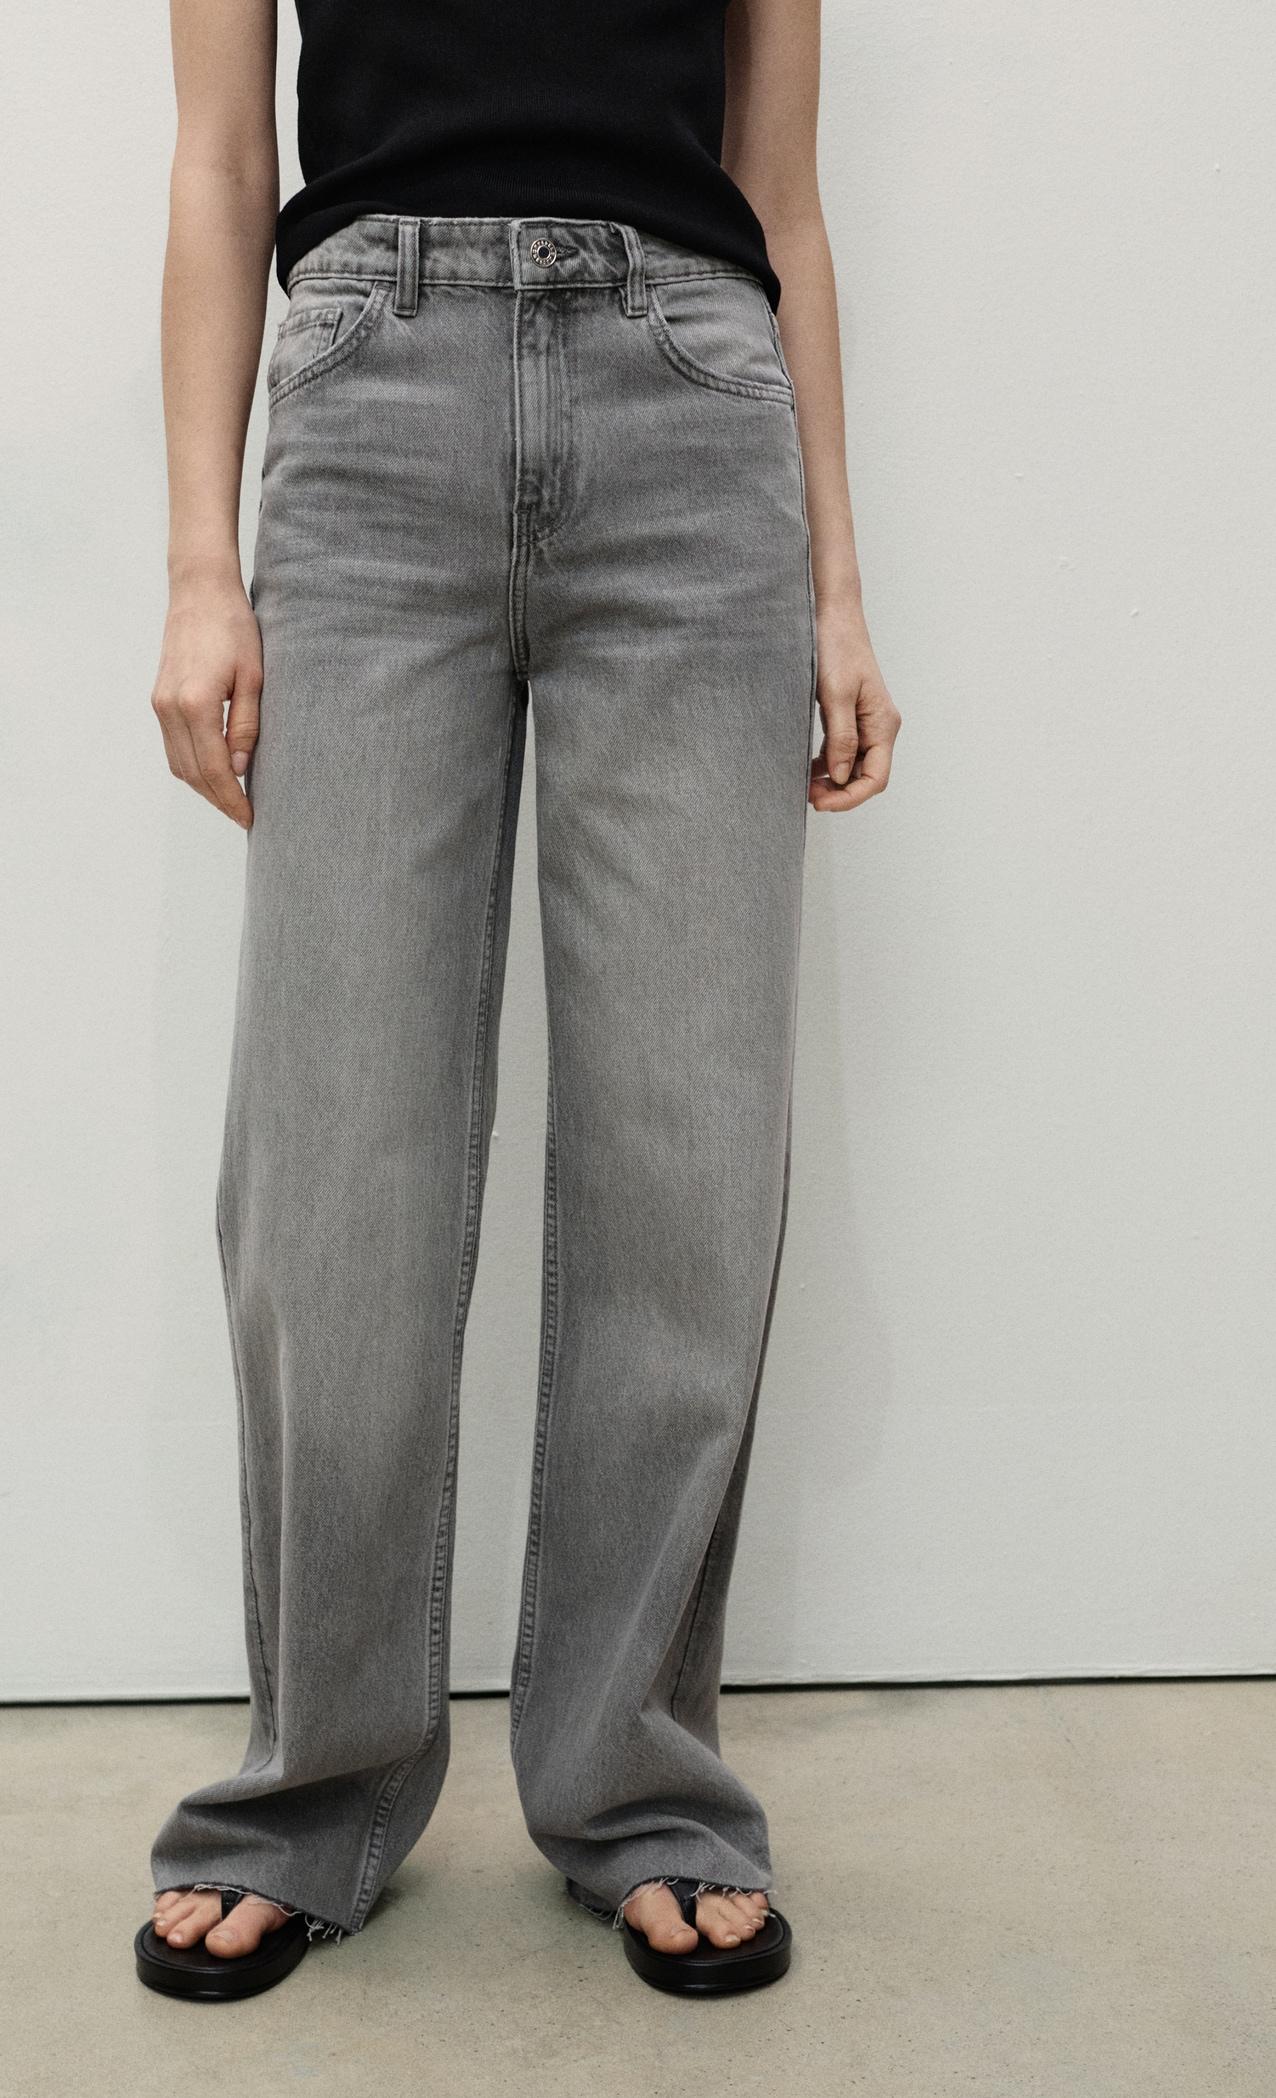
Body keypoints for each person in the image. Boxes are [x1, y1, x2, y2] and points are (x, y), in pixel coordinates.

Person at [134, 0, 900, 2004]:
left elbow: (784, 197)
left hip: (692, 413)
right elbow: (221, 160)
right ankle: (310, 1789)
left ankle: (641, 1786)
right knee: (334, 1177)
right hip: (368, 410)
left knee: (686, 1160)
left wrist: (837, 586)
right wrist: (201, 563)